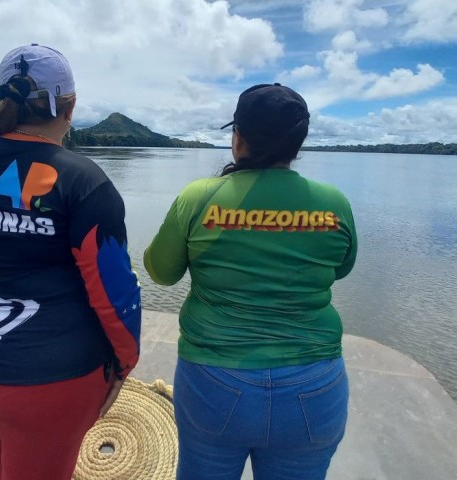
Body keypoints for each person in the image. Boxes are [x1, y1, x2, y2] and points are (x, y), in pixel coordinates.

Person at [0, 43, 141, 480]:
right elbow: (114, 293)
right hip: (46, 380)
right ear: (70, 107)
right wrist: (123, 365)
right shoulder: (82, 180)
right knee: (26, 426)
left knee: (0, 425)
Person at [143, 83, 357, 480]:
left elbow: (161, 272)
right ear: (297, 143)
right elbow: (341, 268)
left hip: (214, 384)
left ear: (238, 137)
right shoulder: (334, 202)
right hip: (313, 385)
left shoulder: (199, 197)